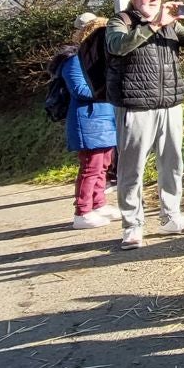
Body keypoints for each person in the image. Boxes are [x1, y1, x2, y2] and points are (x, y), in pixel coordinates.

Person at [106, 0, 184, 250]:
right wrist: (154, 24)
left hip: (170, 104)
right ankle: (132, 226)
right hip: (134, 105)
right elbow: (118, 46)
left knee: (172, 164)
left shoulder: (170, 25)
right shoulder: (121, 21)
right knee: (132, 169)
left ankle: (171, 217)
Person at [61, 13, 118, 231]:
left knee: (103, 165)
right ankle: (83, 211)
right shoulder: (73, 60)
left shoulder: (101, 58)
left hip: (104, 118)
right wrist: (110, 88)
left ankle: (99, 203)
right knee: (90, 167)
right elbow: (79, 89)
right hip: (88, 120)